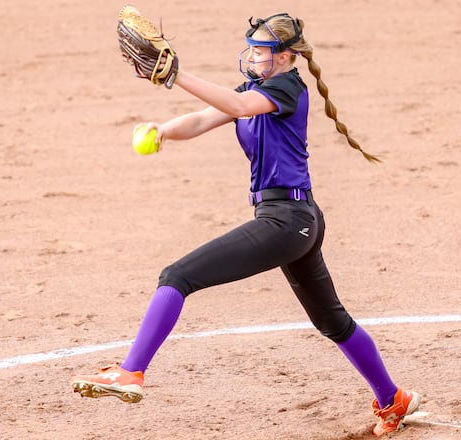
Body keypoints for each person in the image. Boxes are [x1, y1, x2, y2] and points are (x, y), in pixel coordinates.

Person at [72, 13, 420, 436]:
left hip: (287, 222)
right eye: (251, 48)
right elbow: (205, 118)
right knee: (332, 322)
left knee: (177, 275)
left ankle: (131, 372)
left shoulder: (287, 88)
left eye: (261, 51)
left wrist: (176, 74)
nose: (252, 56)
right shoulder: (255, 89)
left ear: (286, 56)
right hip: (296, 219)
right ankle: (393, 399)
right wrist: (162, 130)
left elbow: (237, 107)